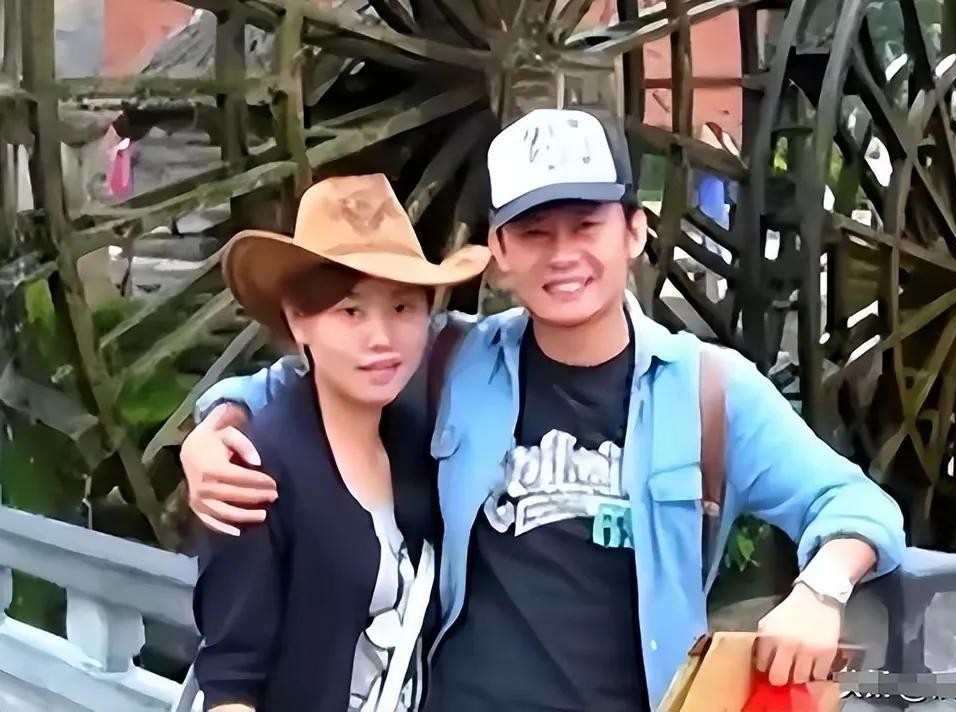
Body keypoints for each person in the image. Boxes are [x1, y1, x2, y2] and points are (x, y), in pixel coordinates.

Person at [182, 108, 906, 711]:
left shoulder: (708, 390)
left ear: (634, 232)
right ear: (499, 251)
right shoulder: (453, 360)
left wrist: (819, 591)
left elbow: (856, 504)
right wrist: (214, 431)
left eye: (586, 225)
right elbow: (309, 374)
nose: (562, 255)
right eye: (533, 233)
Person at [190, 174, 491, 712]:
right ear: (297, 320)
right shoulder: (255, 471)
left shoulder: (419, 437)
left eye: (403, 308)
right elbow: (231, 680)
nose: (381, 338)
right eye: (351, 311)